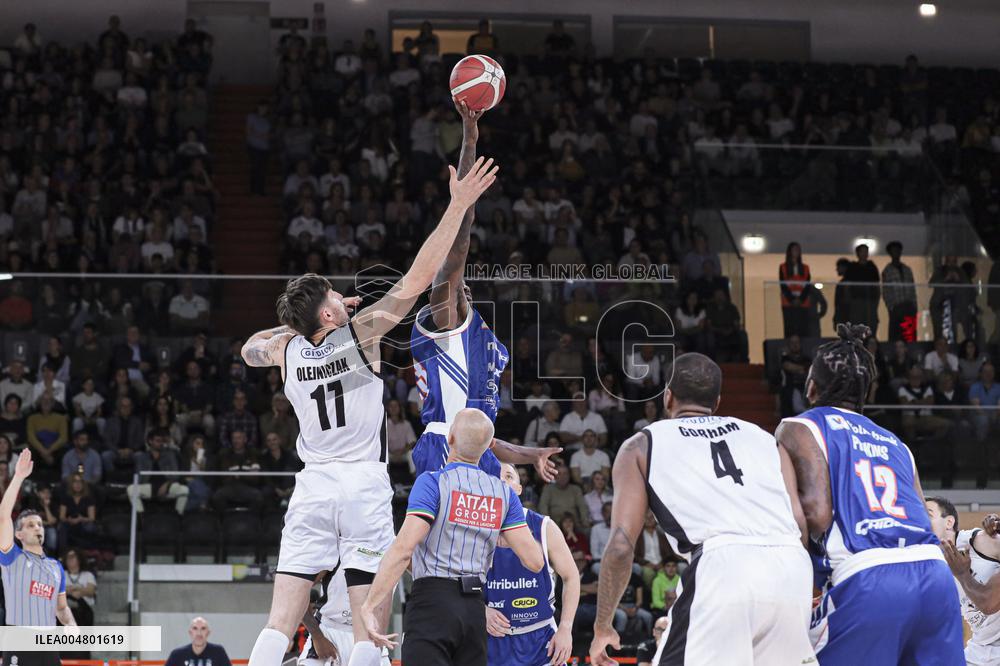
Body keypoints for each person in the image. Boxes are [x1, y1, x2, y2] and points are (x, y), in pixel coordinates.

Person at [242, 150, 499, 666]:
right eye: (335, 294)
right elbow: (419, 277)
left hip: (312, 485)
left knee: (279, 621)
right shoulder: (361, 336)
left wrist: (308, 328)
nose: (344, 295)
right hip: (362, 485)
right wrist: (457, 205)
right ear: (331, 311)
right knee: (368, 623)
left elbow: (250, 348)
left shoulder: (287, 350)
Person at [590, 353, 814, 666]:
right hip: (792, 565)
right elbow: (800, 523)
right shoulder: (764, 437)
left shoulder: (641, 445)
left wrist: (602, 625)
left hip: (724, 566)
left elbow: (620, 545)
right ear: (718, 402)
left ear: (668, 397)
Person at [777, 323, 964, 664]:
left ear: (811, 386)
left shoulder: (800, 426)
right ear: (867, 391)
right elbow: (923, 516)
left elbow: (815, 514)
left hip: (869, 575)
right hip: (934, 575)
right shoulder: (896, 442)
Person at [409, 100, 560, 484]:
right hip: (446, 444)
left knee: (516, 534)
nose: (463, 286)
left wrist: (532, 454)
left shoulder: (482, 338)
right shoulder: (444, 321)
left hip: (476, 446)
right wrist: (470, 140)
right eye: (458, 282)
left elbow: (488, 439)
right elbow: (459, 244)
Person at [358, 409, 543, 666]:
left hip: (432, 603)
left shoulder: (432, 482)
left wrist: (369, 605)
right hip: (475, 608)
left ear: (451, 438)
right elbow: (534, 560)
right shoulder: (504, 494)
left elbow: (403, 550)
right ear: (489, 446)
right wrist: (495, 527)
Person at [485, 464, 578, 666]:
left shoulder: (544, 527)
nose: (502, 480)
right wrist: (480, 610)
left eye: (509, 476)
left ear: (518, 489)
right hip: (491, 639)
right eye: (495, 476)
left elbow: (571, 577)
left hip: (540, 637)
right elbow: (455, 582)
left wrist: (565, 628)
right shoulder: (473, 530)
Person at [0, 450, 76, 666]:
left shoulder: (55, 567)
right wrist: (18, 477)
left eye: (40, 524)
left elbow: (61, 608)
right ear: (18, 534)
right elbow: (3, 517)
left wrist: (70, 624)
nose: (37, 528)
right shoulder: (12, 558)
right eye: (31, 525)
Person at [941, 510, 1000, 665]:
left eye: (929, 513)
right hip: (979, 649)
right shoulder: (931, 564)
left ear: (949, 522)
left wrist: (962, 574)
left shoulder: (979, 540)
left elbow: (988, 603)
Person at [298, 569, 390, 666]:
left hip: (369, 635)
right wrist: (318, 637)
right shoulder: (335, 556)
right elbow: (297, 593)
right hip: (329, 631)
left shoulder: (391, 559)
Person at [882, 241, 918, 342]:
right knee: (896, 335)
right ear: (890, 253)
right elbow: (885, 291)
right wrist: (891, 307)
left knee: (910, 336)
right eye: (893, 251)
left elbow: (912, 288)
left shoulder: (907, 269)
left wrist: (915, 306)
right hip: (897, 307)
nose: (896, 253)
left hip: (909, 306)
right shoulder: (887, 271)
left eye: (898, 250)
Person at [165, 616, 233, 666]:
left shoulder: (218, 652)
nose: (199, 633)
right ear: (190, 632)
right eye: (195, 628)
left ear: (208, 633)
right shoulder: (177, 654)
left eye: (203, 629)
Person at [779, 242, 812, 337]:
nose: (796, 251)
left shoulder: (806, 268)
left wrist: (800, 300)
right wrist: (792, 300)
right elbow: (783, 285)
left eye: (798, 249)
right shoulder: (783, 267)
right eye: (794, 249)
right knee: (789, 329)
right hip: (788, 304)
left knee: (803, 330)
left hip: (803, 304)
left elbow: (807, 286)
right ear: (789, 252)